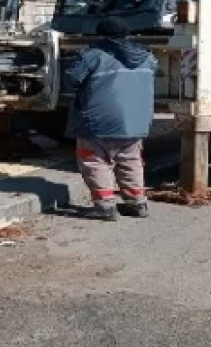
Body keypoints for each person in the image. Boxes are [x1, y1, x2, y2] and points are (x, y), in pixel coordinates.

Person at [64, 16, 158, 220]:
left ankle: (105, 206)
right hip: (136, 122)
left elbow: (72, 79)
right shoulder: (147, 57)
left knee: (94, 160)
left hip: (98, 121)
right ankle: (137, 203)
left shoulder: (93, 55)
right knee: (131, 160)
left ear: (101, 34)